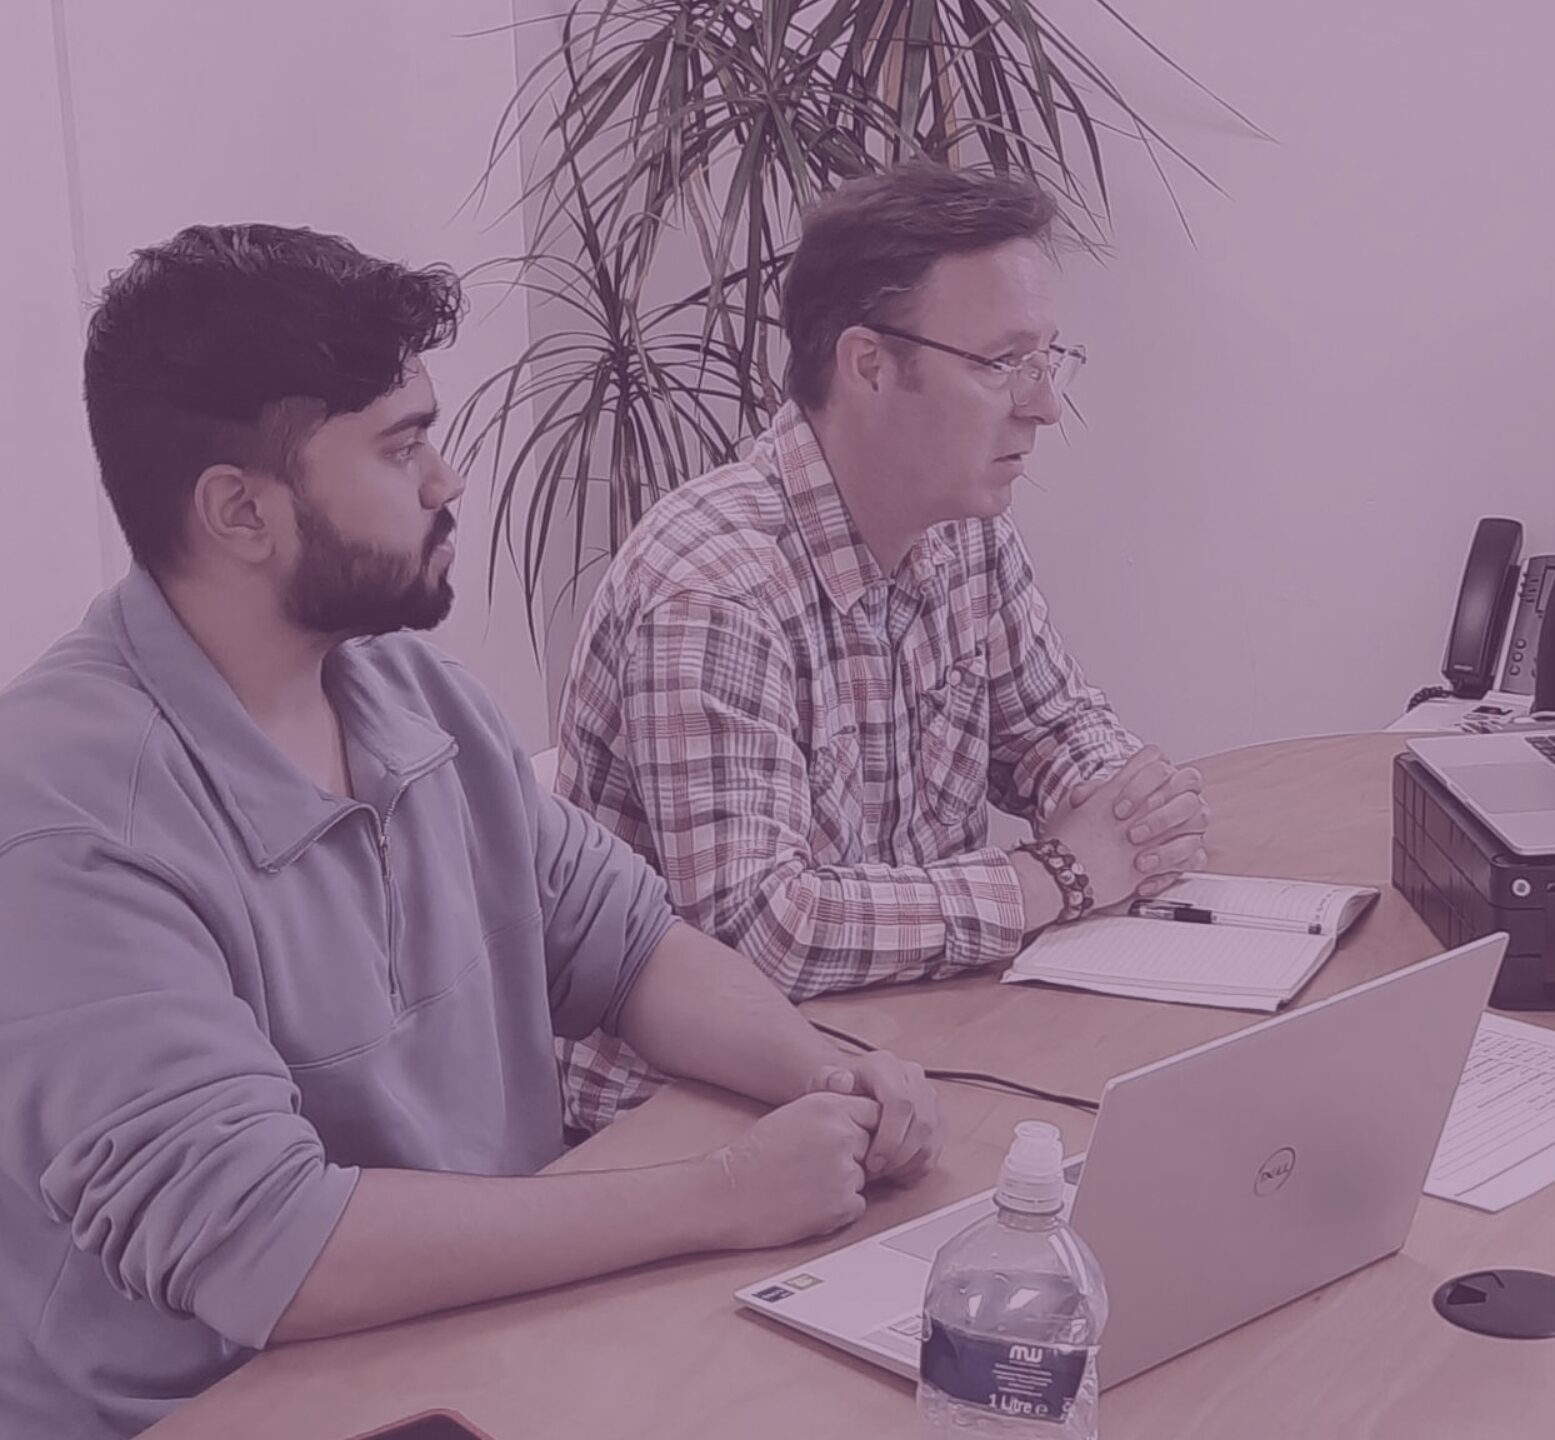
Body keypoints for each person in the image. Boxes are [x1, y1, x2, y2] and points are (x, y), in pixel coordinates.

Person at [0, 223, 940, 1440]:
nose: (447, 482)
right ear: (240, 510)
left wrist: (823, 1073)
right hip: (227, 1410)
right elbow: (267, 1247)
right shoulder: (62, 810)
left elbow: (631, 944)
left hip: (479, 1342)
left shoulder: (407, 690)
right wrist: (721, 1195)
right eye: (403, 449)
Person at [554, 162, 1210, 1133]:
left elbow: (1050, 727)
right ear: (867, 365)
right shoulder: (712, 586)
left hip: (907, 1051)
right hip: (695, 1129)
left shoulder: (962, 524)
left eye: (1049, 360)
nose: (1043, 407)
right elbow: (763, 934)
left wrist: (1131, 808)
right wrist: (1053, 876)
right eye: (1001, 364)